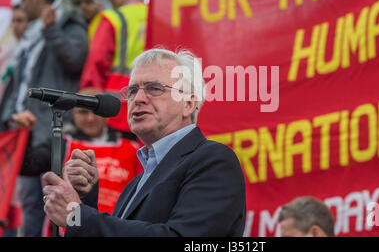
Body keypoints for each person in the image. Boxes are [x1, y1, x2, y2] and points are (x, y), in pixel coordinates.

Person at [42, 48, 247, 237]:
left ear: (188, 104)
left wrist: (76, 215)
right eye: (132, 91)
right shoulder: (134, 185)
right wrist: (84, 199)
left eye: (154, 88)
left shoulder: (214, 160)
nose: (138, 98)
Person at [0, 0, 88, 236]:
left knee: (57, 205)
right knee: (30, 205)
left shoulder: (68, 26)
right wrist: (10, 119)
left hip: (54, 133)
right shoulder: (30, 37)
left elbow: (74, 60)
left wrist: (52, 30)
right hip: (25, 134)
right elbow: (18, 86)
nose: (23, 6)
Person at [79, 0, 149, 133]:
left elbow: (96, 63)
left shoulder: (112, 18)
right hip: (154, 110)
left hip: (117, 111)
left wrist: (87, 105)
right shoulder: (159, 17)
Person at [0, 5, 28, 100]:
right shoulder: (6, 45)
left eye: (19, 20)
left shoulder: (31, 50)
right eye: (13, 21)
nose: (15, 26)